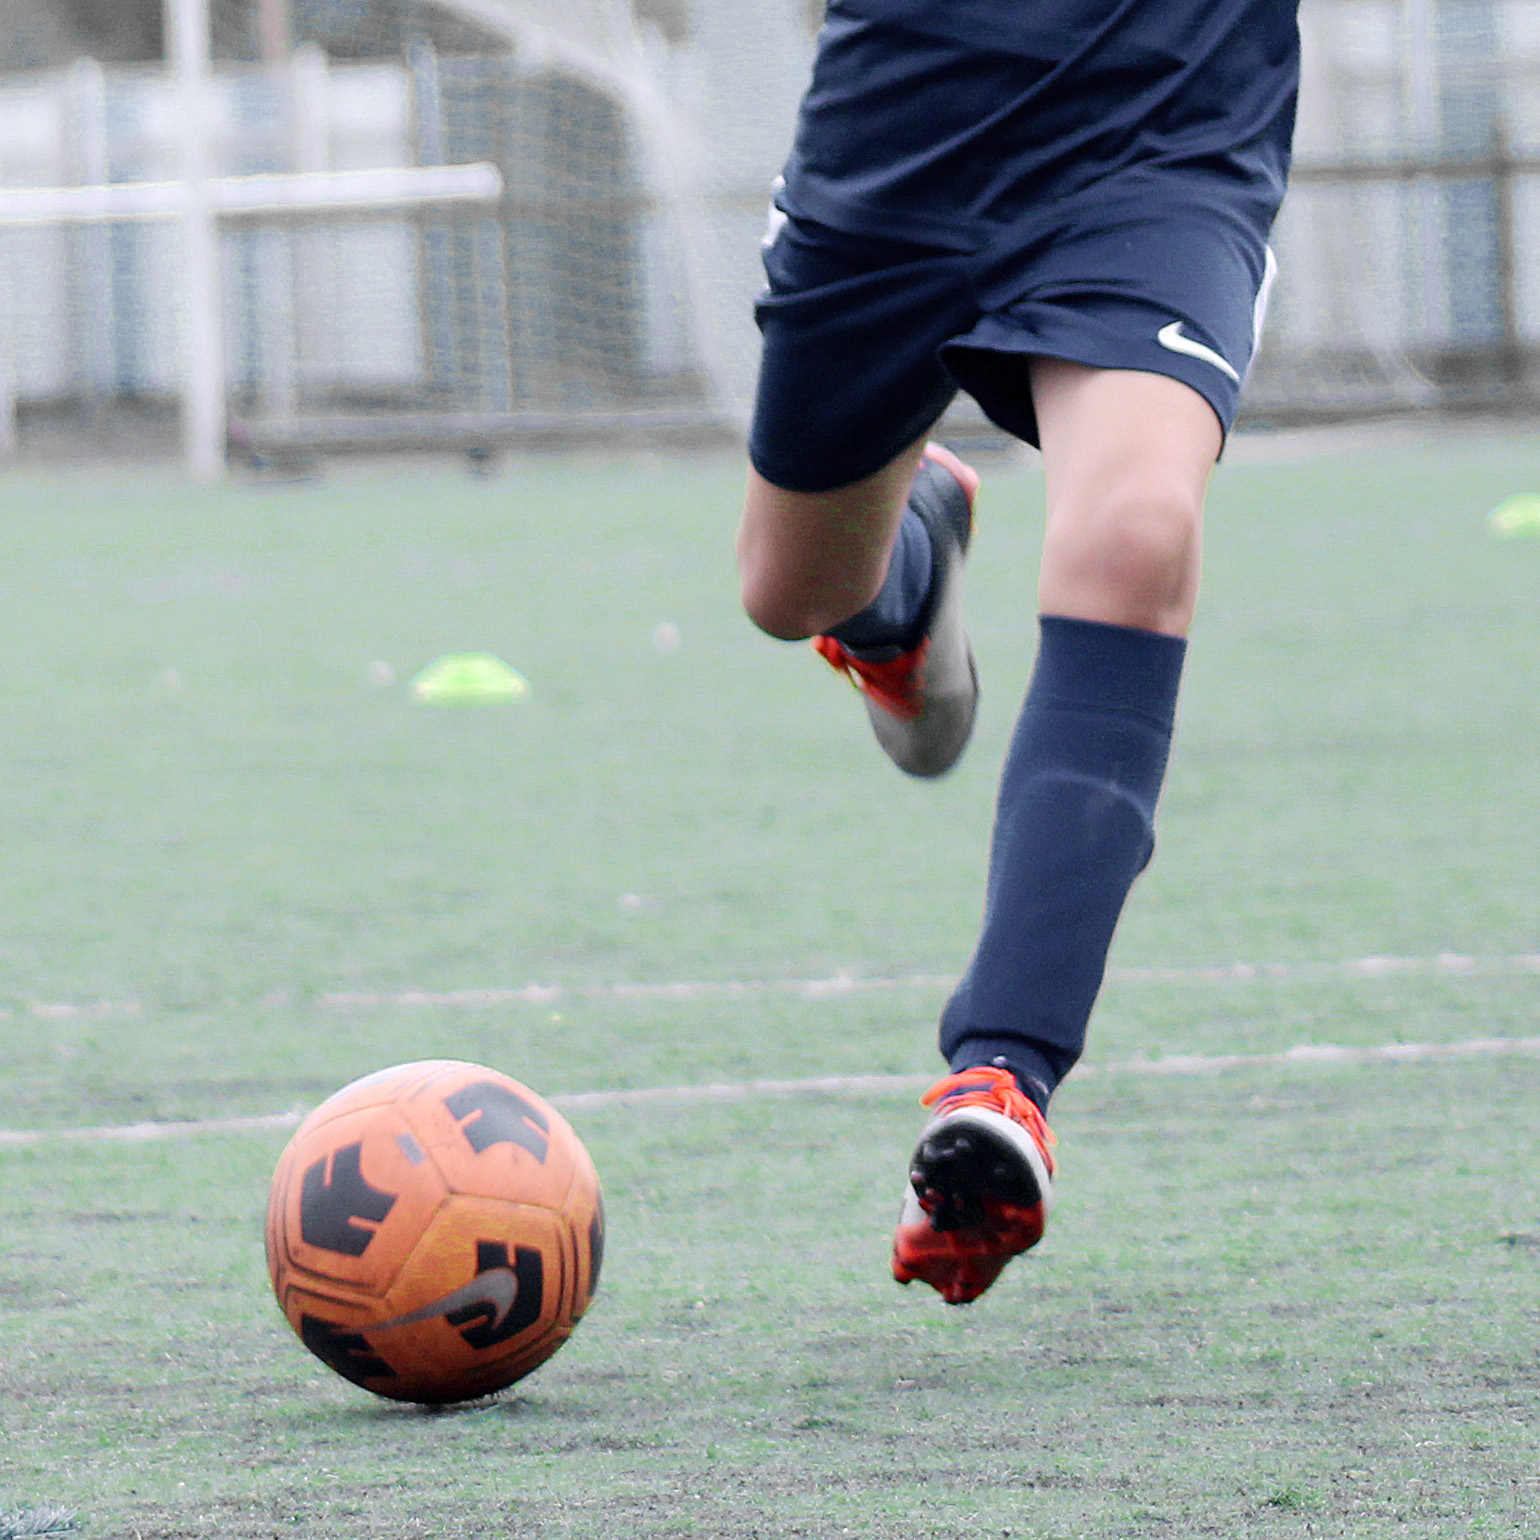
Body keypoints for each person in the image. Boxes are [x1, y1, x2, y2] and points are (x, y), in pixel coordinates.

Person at [736, 0, 1300, 1304]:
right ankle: (900, 589)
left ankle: (1002, 1076)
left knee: (1138, 532)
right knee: (790, 586)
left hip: (1161, 120)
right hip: (904, 118)